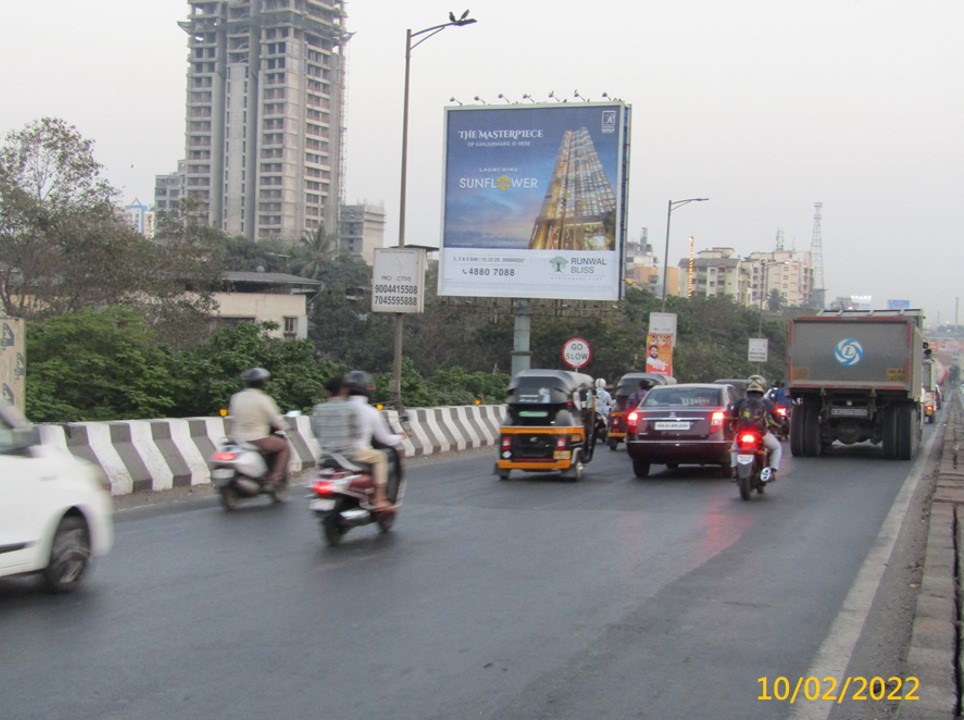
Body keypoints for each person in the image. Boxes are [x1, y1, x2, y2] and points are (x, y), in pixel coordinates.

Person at [329, 370, 406, 512]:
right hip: (356, 451)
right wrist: (400, 436)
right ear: (366, 389)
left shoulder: (337, 407)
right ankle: (380, 499)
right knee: (380, 457)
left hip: (332, 451)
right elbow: (385, 439)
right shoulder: (370, 411)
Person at [228, 367, 290, 491]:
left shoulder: (236, 397)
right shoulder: (264, 399)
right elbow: (275, 420)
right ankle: (275, 478)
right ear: (262, 384)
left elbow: (233, 415)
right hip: (257, 438)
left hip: (236, 438)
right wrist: (285, 426)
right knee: (284, 447)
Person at [730, 374, 783, 482]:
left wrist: (732, 425)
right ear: (762, 387)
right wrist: (780, 424)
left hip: (742, 434)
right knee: (777, 448)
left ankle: (735, 469)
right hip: (761, 434)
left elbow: (732, 415)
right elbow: (777, 418)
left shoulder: (740, 402)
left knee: (734, 448)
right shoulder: (766, 402)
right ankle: (772, 471)